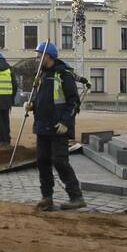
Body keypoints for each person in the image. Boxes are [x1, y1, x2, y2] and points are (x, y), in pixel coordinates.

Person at [26, 42, 88, 211]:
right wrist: (32, 105)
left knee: (60, 161)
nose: (37, 59)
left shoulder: (63, 74)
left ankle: (76, 197)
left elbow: (73, 102)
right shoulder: (41, 75)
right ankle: (47, 197)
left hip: (58, 127)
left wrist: (66, 122)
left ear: (49, 57)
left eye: (39, 56)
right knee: (42, 161)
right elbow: (42, 99)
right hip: (42, 125)